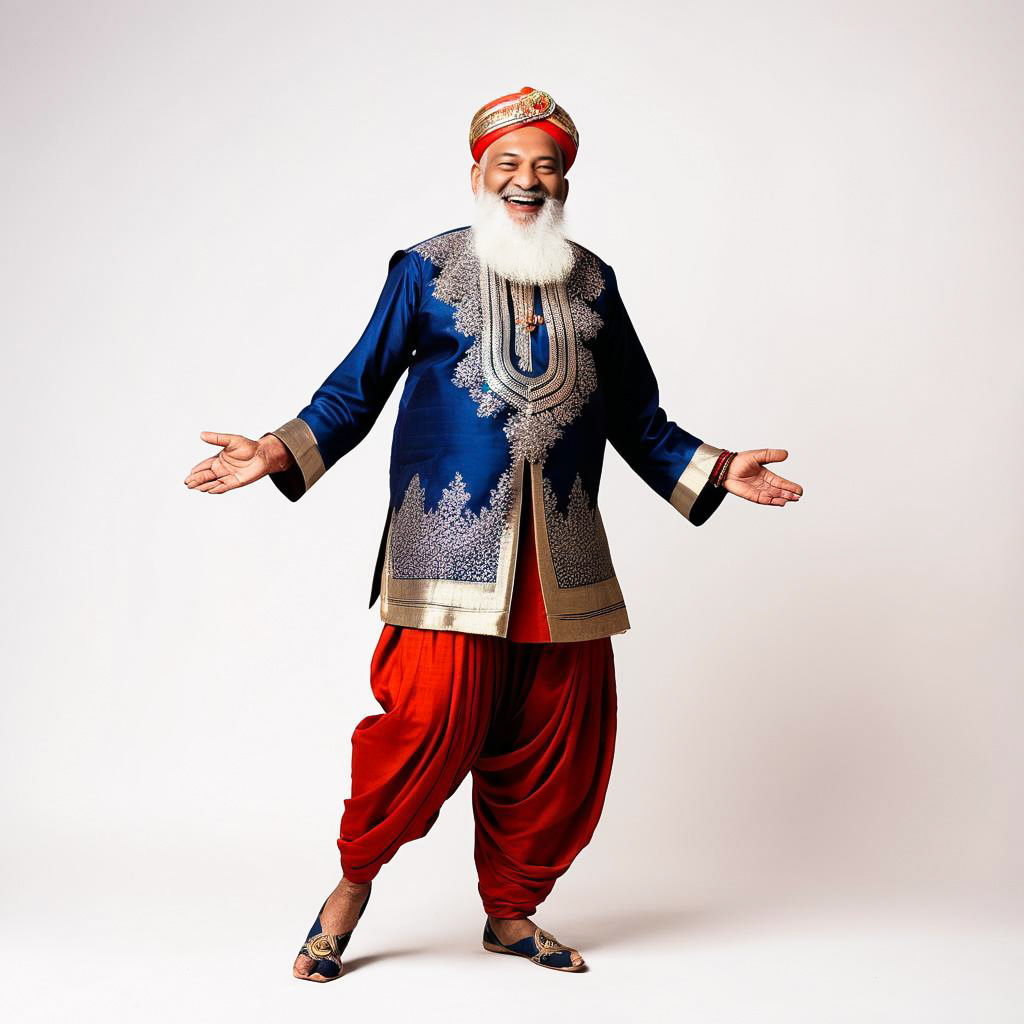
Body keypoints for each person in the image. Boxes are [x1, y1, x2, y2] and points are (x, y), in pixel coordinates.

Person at [183, 86, 803, 979]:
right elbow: (354, 392)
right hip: (449, 541)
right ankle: (352, 885)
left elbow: (637, 415)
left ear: (565, 183)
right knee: (426, 724)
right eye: (508, 165)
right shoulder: (424, 270)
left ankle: (512, 912)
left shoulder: (595, 282)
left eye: (545, 167)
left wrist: (716, 464)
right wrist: (276, 450)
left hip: (565, 548)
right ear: (478, 175)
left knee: (562, 742)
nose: (527, 181)